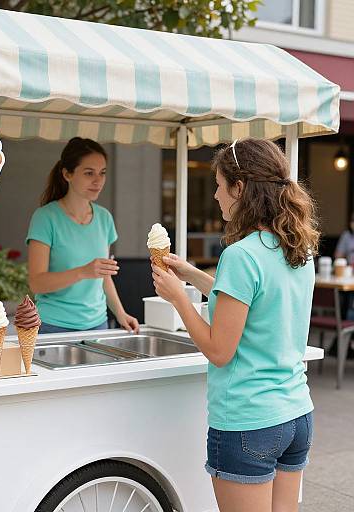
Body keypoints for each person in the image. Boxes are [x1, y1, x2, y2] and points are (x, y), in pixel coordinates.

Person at [152, 138, 319, 512]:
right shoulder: (298, 248)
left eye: (218, 184)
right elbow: (251, 302)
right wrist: (192, 274)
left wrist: (178, 297)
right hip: (295, 415)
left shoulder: (240, 255)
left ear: (239, 188)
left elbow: (218, 350)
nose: (214, 195)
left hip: (249, 422)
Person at [27, 137, 139, 335]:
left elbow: (103, 276)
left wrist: (121, 313)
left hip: (98, 326)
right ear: (67, 174)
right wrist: (82, 272)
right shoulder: (45, 218)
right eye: (89, 173)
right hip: (53, 327)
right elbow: (37, 282)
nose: (98, 181)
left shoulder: (104, 218)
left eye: (102, 173)